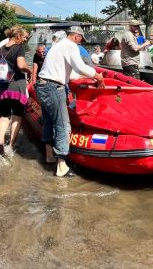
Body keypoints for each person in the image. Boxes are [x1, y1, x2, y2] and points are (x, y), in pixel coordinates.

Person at [37, 25, 105, 178]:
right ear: (76, 36)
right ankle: (61, 166)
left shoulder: (57, 46)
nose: (80, 43)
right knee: (63, 125)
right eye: (80, 39)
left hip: (42, 85)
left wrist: (85, 75)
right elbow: (80, 67)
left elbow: (71, 74)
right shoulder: (71, 46)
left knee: (49, 120)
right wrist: (97, 75)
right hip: (54, 87)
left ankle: (49, 156)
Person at [0, 26, 31, 157]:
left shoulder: (2, 49)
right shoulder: (19, 48)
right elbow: (21, 65)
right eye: (23, 37)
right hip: (16, 86)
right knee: (17, 116)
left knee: (4, 116)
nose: (24, 41)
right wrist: (30, 70)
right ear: (18, 36)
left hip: (2, 87)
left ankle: (1, 139)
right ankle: (10, 145)